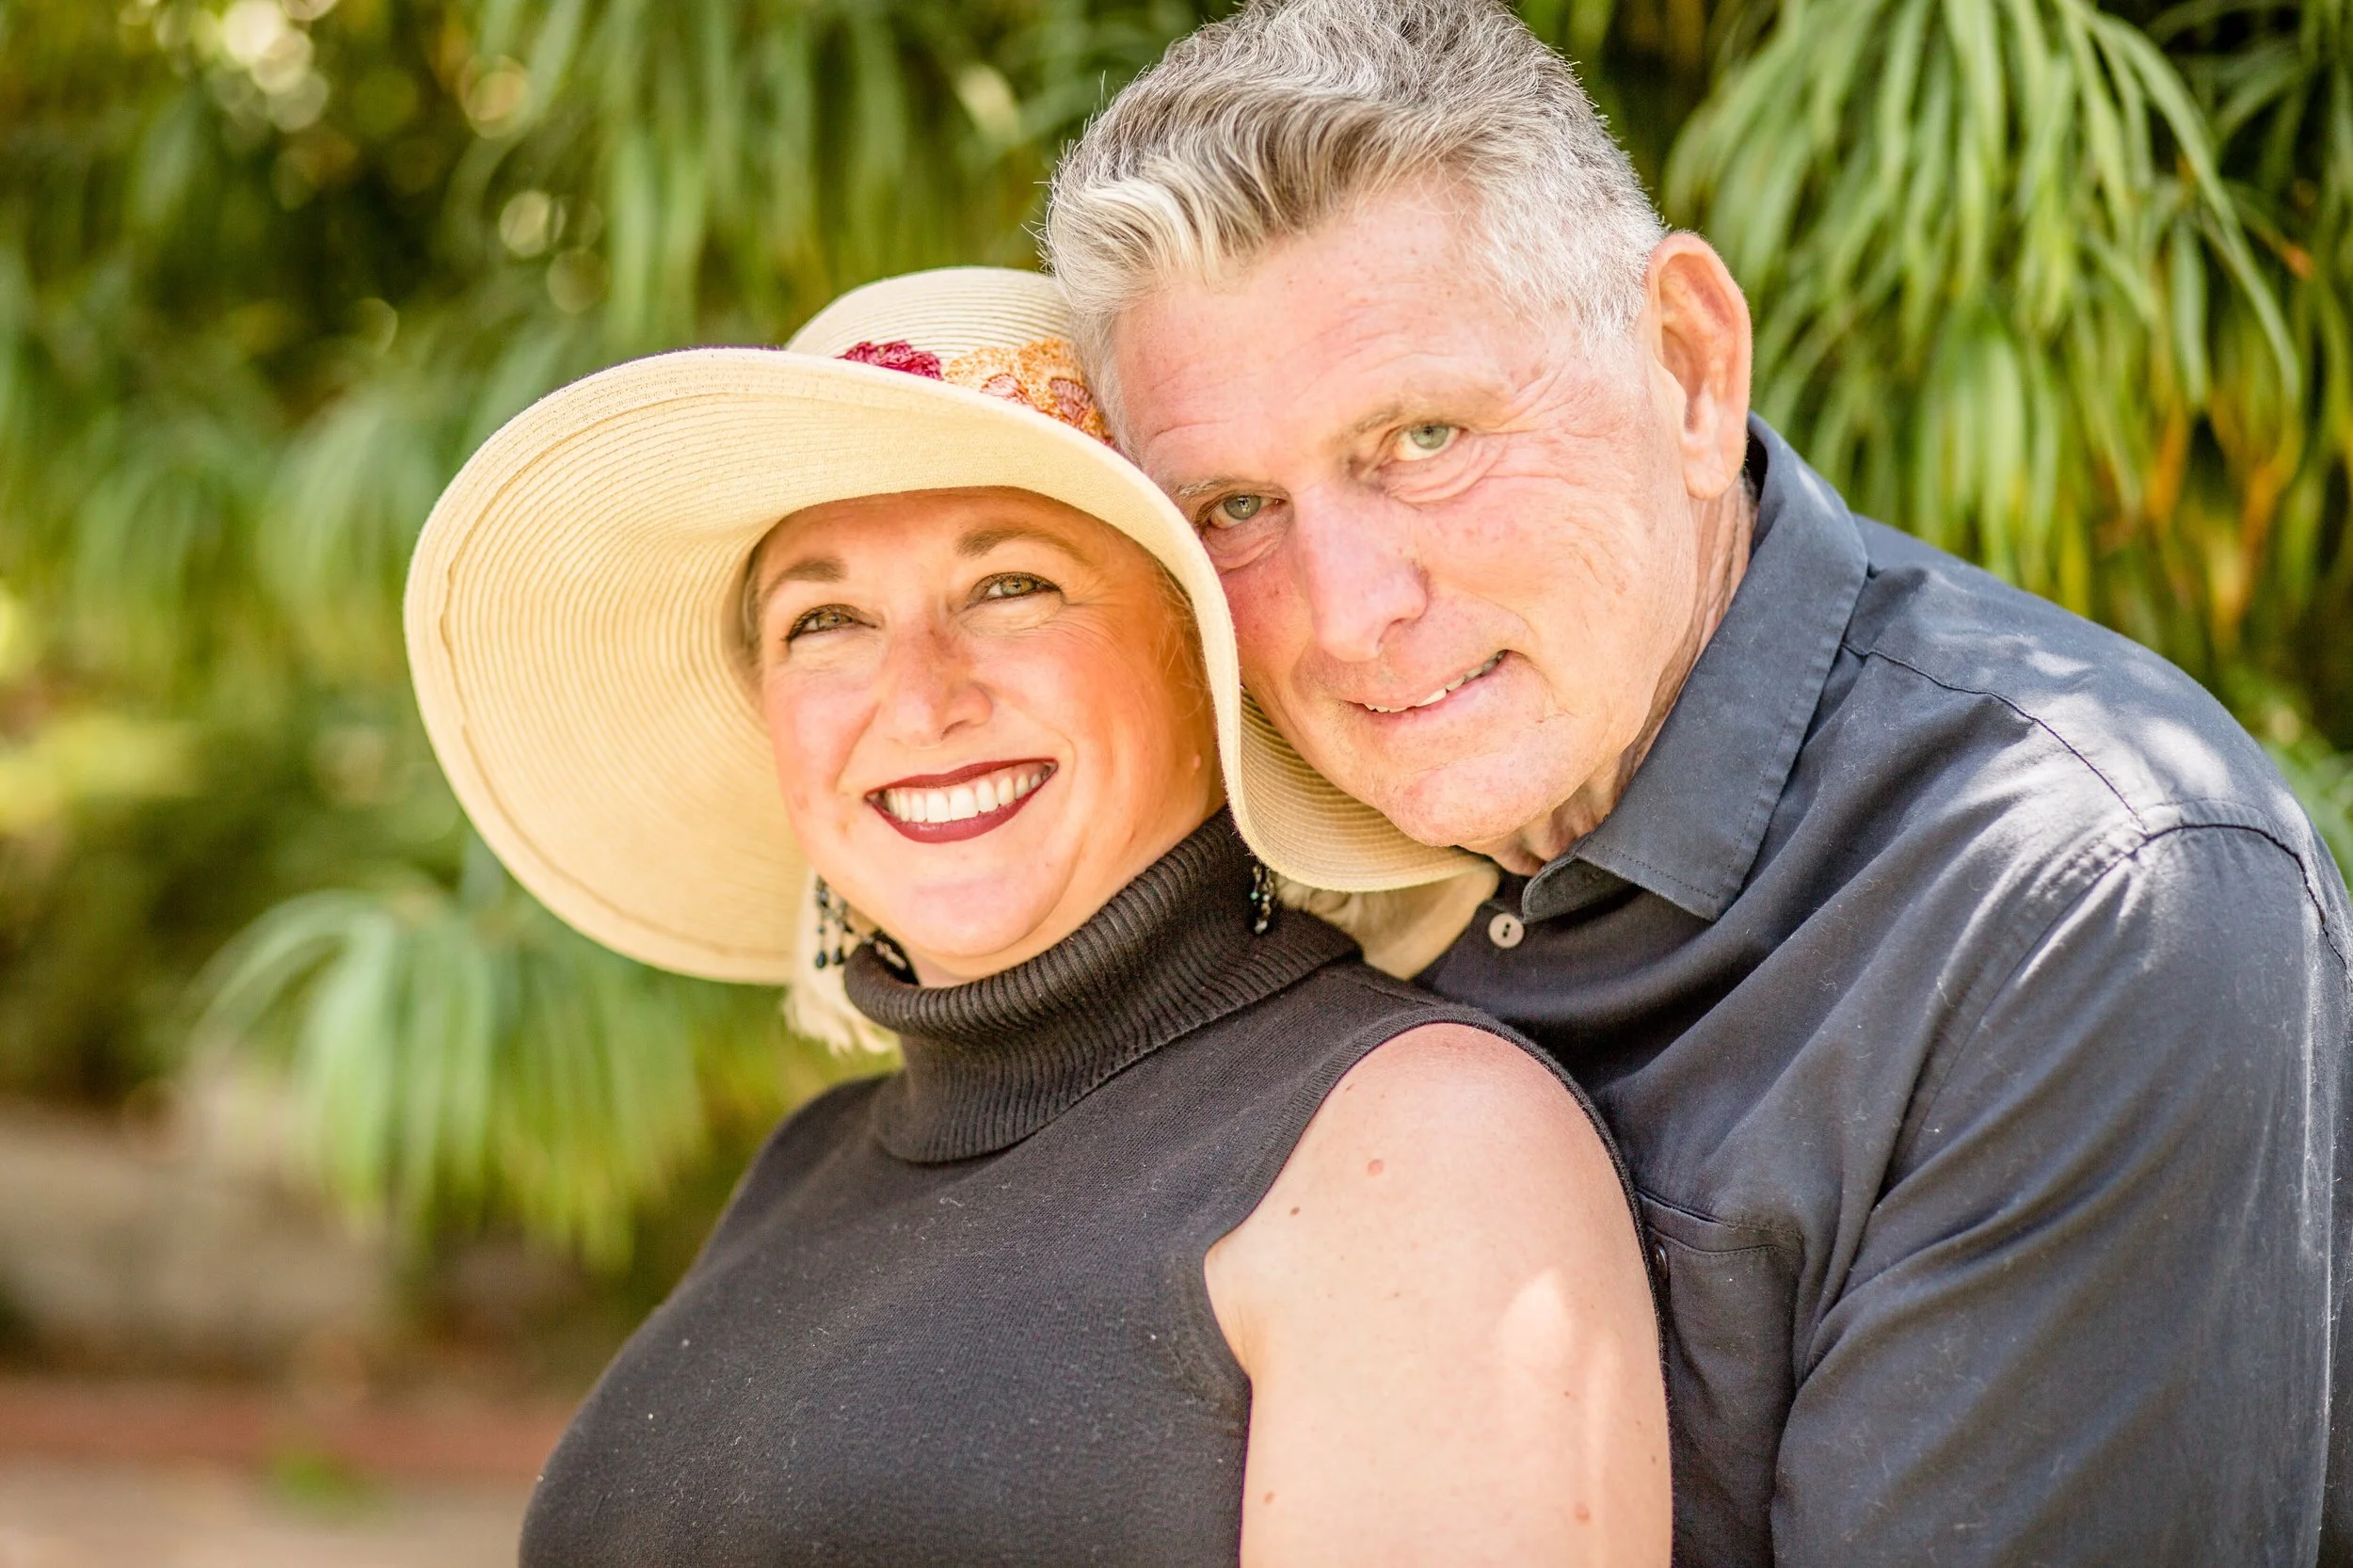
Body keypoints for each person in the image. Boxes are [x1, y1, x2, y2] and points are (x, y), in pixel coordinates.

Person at [1042, 1, 2353, 1563]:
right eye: (1238, 504)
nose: (1344, 609)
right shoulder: (1256, 840)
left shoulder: (2078, 903)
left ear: (1685, 365)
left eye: (1425, 436)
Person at [404, 266, 1670, 1565]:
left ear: (1200, 659)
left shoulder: (1416, 1144)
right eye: (826, 619)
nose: (917, 700)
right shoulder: (808, 1167)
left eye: (1010, 586)